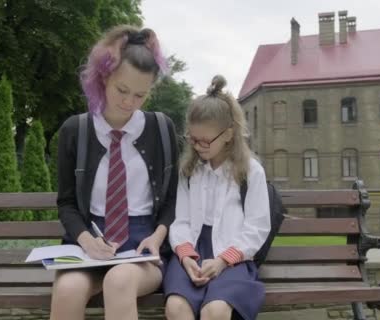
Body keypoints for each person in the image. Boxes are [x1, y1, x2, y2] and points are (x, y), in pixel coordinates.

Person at [51, 25, 178, 320]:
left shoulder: (161, 129)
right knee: (68, 289)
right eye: (122, 90)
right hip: (89, 243)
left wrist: (158, 237)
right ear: (104, 76)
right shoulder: (75, 130)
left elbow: (173, 200)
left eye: (140, 95)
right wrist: (86, 240)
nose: (129, 102)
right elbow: (67, 203)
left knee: (119, 280)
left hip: (143, 248)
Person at [163, 75, 271, 320]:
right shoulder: (189, 170)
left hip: (234, 255)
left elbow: (257, 227)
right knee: (176, 308)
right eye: (192, 139)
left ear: (228, 134)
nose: (198, 146)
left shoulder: (251, 171)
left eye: (204, 140)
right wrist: (186, 257)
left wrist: (223, 260)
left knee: (216, 310)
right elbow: (180, 221)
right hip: (192, 250)